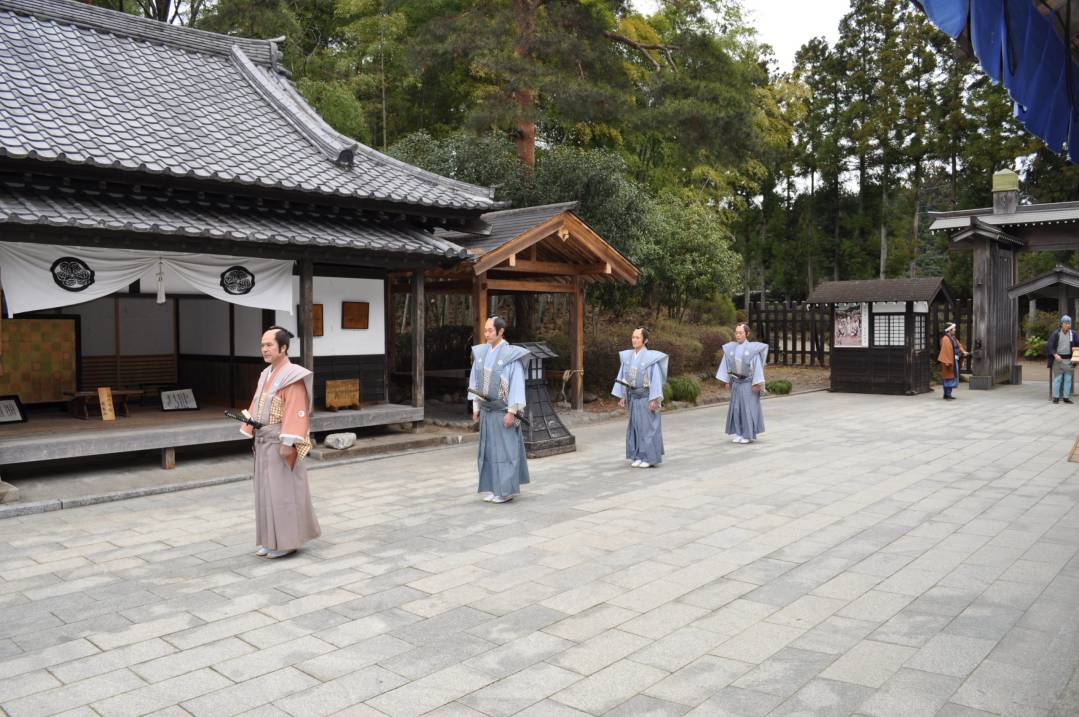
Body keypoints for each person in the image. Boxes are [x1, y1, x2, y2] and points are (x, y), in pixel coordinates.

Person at [240, 327, 321, 558]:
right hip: (265, 438)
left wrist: (288, 443)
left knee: (283, 493)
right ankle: (269, 539)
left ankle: (287, 542)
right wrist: (250, 425)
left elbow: (295, 410)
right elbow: (257, 403)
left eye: (269, 345)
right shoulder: (265, 374)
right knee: (265, 492)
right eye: (262, 345)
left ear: (283, 348)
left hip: (281, 440)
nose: (264, 349)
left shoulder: (292, 376)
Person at [470, 316, 531, 503]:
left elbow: (517, 385)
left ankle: (506, 490)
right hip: (488, 409)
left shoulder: (511, 355)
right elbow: (475, 381)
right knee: (488, 450)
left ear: (501, 332)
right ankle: (494, 488)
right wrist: (476, 405)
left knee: (506, 451)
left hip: (503, 410)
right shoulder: (481, 353)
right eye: (485, 330)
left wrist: (512, 411)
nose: (486, 334)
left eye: (490, 330)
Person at [611, 327, 667, 468]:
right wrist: (623, 395)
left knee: (647, 428)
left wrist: (654, 398)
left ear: (645, 340)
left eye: (637, 337)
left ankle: (648, 457)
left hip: (646, 396)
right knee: (635, 427)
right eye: (633, 337)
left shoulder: (650, 358)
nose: (634, 340)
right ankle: (637, 455)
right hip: (633, 396)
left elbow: (656, 379)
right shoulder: (627, 356)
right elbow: (623, 376)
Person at [716, 323, 767, 444]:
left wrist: (757, 382)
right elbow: (728, 365)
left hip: (748, 383)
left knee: (747, 409)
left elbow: (757, 367)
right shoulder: (730, 348)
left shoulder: (753, 349)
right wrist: (728, 379)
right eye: (736, 332)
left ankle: (748, 435)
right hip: (736, 382)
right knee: (736, 408)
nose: (738, 335)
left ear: (747, 334)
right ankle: (739, 433)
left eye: (741, 333)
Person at [1047, 315, 1079, 404]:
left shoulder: (1073, 333)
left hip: (1069, 359)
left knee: (1068, 379)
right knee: (1058, 378)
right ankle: (1056, 397)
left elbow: (1077, 345)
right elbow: (1050, 346)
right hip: (1058, 359)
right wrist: (1055, 354)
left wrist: (1076, 357)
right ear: (1061, 324)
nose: (1068, 325)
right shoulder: (1056, 333)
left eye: (1069, 323)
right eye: (1066, 323)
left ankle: (1066, 397)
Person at [937, 323, 968, 400]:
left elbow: (959, 345)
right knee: (948, 377)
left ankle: (948, 394)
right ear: (949, 330)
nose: (955, 330)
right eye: (953, 329)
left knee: (952, 376)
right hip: (948, 361)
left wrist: (963, 351)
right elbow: (945, 351)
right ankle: (947, 395)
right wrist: (947, 361)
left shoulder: (953, 338)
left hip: (953, 360)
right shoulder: (945, 339)